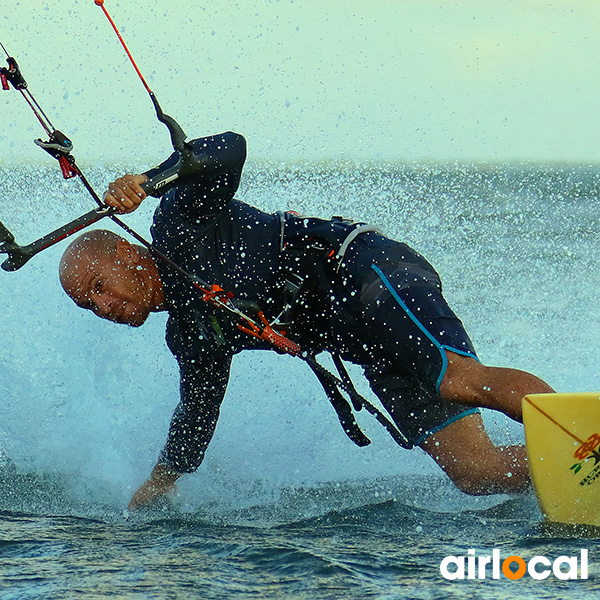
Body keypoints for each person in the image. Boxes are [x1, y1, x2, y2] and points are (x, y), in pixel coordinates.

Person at [58, 132, 555, 510]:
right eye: (89, 306)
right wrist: (159, 485)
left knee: (457, 380)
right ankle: (578, 476)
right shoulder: (191, 334)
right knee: (475, 472)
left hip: (364, 272)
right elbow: (196, 414)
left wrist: (150, 180)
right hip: (358, 342)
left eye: (99, 286)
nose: (102, 307)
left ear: (125, 252)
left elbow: (229, 148)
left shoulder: (179, 221)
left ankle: (583, 438)